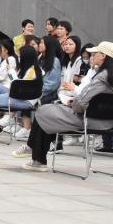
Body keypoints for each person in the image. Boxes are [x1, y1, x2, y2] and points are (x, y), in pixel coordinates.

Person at [18, 42, 113, 171]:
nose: (92, 56)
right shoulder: (107, 76)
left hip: (89, 120)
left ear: (103, 56)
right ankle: (35, 154)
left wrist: (73, 104)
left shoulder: (102, 77)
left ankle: (36, 156)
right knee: (47, 112)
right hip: (105, 121)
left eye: (95, 53)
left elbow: (81, 104)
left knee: (43, 111)